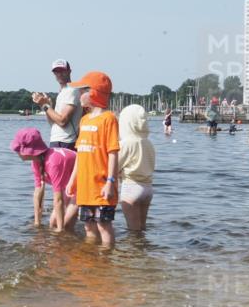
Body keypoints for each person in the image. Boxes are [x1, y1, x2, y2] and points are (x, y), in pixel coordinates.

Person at [65, 71, 119, 247]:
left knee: (103, 225)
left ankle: (106, 258)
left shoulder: (108, 119)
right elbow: (80, 154)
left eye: (82, 91)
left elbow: (113, 153)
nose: (79, 94)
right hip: (85, 187)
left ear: (93, 93)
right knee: (88, 226)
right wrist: (73, 180)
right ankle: (91, 257)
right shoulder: (85, 120)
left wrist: (110, 181)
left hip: (102, 185)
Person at [10, 127, 77, 231]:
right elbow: (38, 192)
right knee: (53, 223)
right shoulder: (36, 161)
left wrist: (60, 230)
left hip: (85, 182)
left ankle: (65, 234)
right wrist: (37, 223)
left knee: (65, 225)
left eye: (18, 149)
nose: (16, 152)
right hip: (70, 186)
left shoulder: (53, 162)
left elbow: (58, 199)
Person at [117, 104, 155, 232]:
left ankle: (134, 246)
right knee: (142, 228)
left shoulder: (126, 143)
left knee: (133, 231)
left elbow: (114, 167)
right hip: (148, 188)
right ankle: (144, 245)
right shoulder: (148, 143)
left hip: (131, 188)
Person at [31, 59, 82, 149]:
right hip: (57, 140)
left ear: (69, 71)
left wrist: (45, 105)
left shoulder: (72, 90)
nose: (59, 74)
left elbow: (62, 121)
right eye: (56, 71)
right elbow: (53, 123)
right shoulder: (62, 92)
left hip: (66, 141)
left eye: (62, 71)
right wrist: (47, 106)